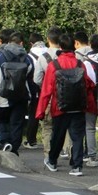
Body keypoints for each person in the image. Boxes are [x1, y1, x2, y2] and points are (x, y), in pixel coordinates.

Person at [35, 33, 96, 176]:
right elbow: (87, 85)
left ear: (61, 47)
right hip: (78, 107)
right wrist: (91, 106)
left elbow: (46, 91)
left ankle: (52, 161)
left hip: (59, 107)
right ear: (73, 46)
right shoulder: (80, 64)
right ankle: (77, 166)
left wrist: (40, 111)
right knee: (77, 137)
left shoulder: (54, 65)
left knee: (58, 135)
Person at [0, 30, 35, 154]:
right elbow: (31, 81)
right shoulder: (28, 59)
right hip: (22, 96)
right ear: (21, 43)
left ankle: (4, 141)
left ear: (8, 42)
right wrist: (32, 97)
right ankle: (14, 148)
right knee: (17, 123)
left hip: (3, 96)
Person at [33, 26, 61, 164]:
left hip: (49, 97)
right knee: (64, 127)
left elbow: (37, 79)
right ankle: (67, 152)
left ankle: (48, 155)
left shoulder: (43, 58)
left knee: (47, 126)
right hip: (66, 97)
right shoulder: (69, 55)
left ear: (48, 39)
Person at [74, 30, 98, 167]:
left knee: (89, 128)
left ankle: (92, 156)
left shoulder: (86, 61)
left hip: (91, 98)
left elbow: (87, 81)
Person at [23, 31, 46, 150]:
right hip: (50, 87)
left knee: (34, 114)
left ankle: (31, 140)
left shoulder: (29, 55)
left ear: (31, 43)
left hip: (34, 88)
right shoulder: (49, 52)